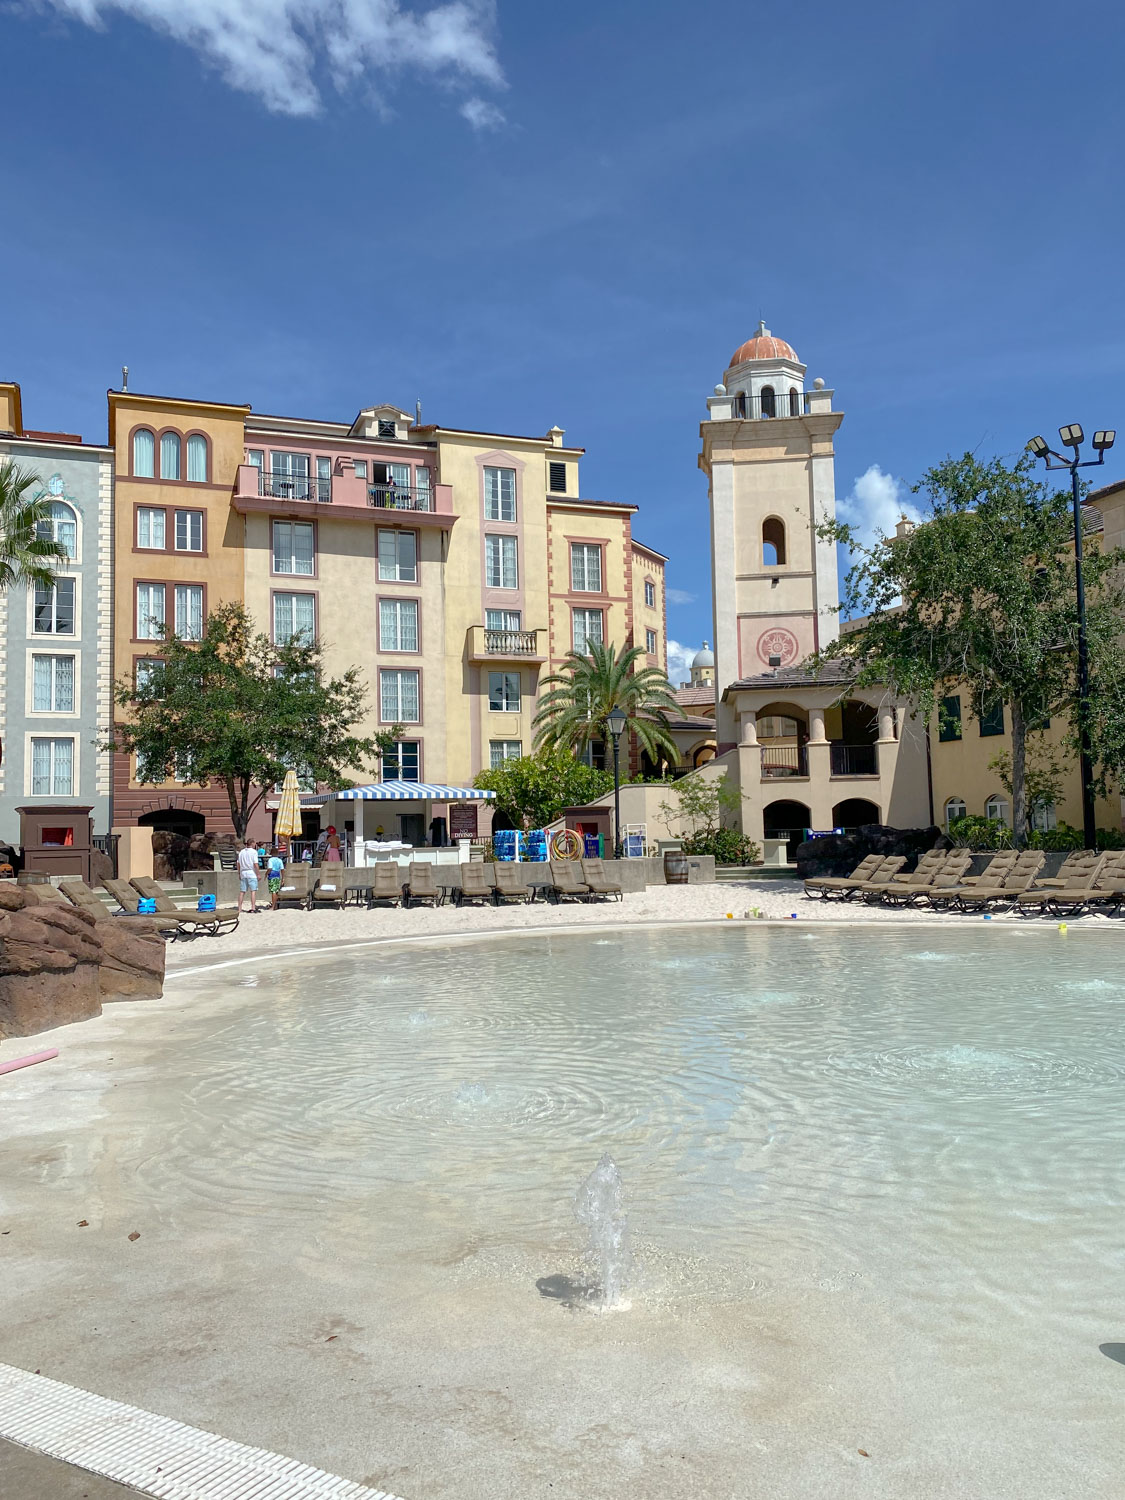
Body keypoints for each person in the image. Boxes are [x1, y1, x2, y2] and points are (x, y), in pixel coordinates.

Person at [236, 838, 260, 913]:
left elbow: (238, 863)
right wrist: (258, 873)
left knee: (242, 891)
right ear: (252, 843)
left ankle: (239, 908)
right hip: (251, 873)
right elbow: (255, 864)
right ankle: (253, 907)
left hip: (243, 872)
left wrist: (239, 873)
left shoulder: (241, 852)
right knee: (253, 891)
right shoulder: (254, 852)